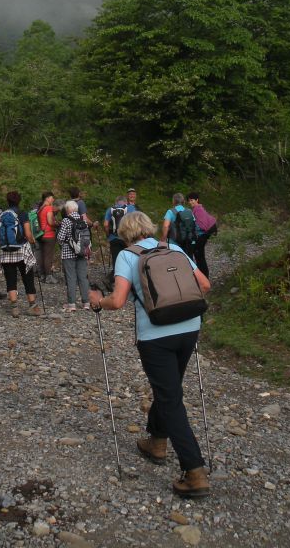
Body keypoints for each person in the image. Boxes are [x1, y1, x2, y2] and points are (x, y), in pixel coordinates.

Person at [88, 211, 211, 499]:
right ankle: (156, 441)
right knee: (168, 389)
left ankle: (194, 472)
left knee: (170, 398)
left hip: (156, 335)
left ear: (125, 234)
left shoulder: (128, 256)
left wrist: (97, 301)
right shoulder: (174, 248)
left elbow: (117, 301)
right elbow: (204, 285)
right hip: (190, 326)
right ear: (149, 229)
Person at [0, 191, 42, 317]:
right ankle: (32, 305)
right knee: (28, 277)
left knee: (10, 279)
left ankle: (14, 307)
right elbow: (27, 234)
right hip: (21, 250)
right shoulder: (22, 214)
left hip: (5, 251)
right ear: (19, 201)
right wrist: (33, 241)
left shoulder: (2, 215)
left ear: (7, 201)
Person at [57, 200, 91, 311]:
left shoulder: (66, 221)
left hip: (68, 253)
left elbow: (60, 238)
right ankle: (86, 303)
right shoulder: (83, 221)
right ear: (76, 209)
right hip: (82, 252)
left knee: (71, 277)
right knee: (83, 277)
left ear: (67, 210)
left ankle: (71, 304)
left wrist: (64, 243)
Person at [103, 189, 139, 280]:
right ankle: (129, 280)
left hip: (113, 238)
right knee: (129, 259)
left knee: (116, 259)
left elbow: (106, 224)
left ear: (116, 202)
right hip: (127, 238)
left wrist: (108, 235)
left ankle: (114, 281)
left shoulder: (110, 209)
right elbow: (135, 223)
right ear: (125, 201)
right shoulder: (131, 208)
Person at [187, 192, 218, 279]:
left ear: (197, 200)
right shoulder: (197, 208)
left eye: (192, 200)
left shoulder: (198, 209)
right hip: (207, 231)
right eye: (189, 201)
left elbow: (203, 225)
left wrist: (194, 230)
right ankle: (204, 276)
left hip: (206, 232)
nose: (190, 202)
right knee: (198, 254)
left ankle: (204, 276)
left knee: (199, 254)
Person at [35, 191, 58, 283]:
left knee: (42, 255)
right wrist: (57, 224)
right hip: (49, 235)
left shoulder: (40, 208)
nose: (53, 199)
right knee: (48, 256)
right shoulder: (48, 208)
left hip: (41, 235)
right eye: (52, 197)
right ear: (47, 198)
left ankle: (42, 275)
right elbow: (50, 222)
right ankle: (48, 276)